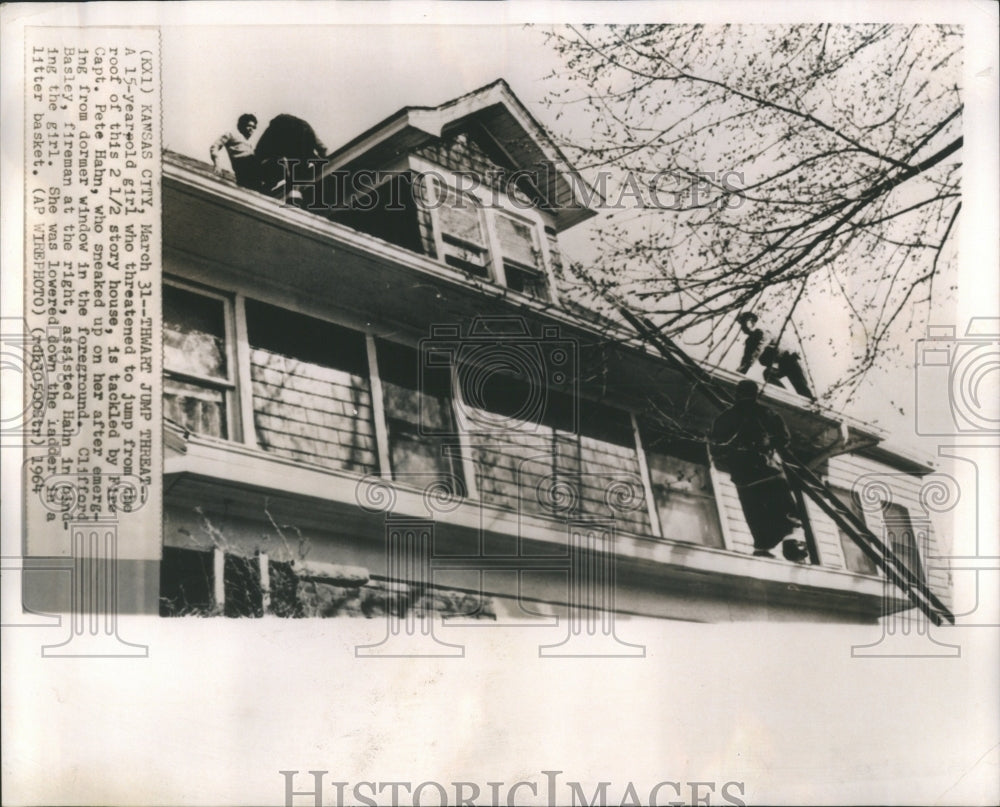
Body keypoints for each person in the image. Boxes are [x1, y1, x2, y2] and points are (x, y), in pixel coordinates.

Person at [711, 380, 810, 561]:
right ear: (756, 394)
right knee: (786, 511)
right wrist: (767, 445)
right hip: (768, 472)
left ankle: (763, 548)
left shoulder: (724, 418)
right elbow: (784, 439)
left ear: (736, 394)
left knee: (755, 514)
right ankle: (792, 543)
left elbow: (716, 449)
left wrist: (734, 462)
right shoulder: (766, 413)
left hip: (743, 478)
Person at [736, 311, 816, 400]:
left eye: (744, 323)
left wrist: (744, 368)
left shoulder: (762, 333)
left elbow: (758, 349)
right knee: (768, 373)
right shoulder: (749, 341)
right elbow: (746, 358)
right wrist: (739, 373)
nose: (742, 327)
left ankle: (810, 404)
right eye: (741, 324)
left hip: (790, 361)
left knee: (802, 388)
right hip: (780, 365)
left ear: (751, 322)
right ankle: (784, 396)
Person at [254, 114, 328, 207]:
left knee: (290, 166)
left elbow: (259, 153)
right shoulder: (305, 130)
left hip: (290, 140)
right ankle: (293, 195)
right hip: (299, 139)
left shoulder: (275, 135)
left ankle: (292, 195)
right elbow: (322, 148)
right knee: (295, 167)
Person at [209, 113, 260, 190]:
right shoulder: (231, 134)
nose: (251, 129)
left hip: (252, 172)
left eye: (254, 127)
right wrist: (217, 164)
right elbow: (214, 146)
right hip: (243, 167)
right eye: (249, 126)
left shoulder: (249, 145)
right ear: (241, 125)